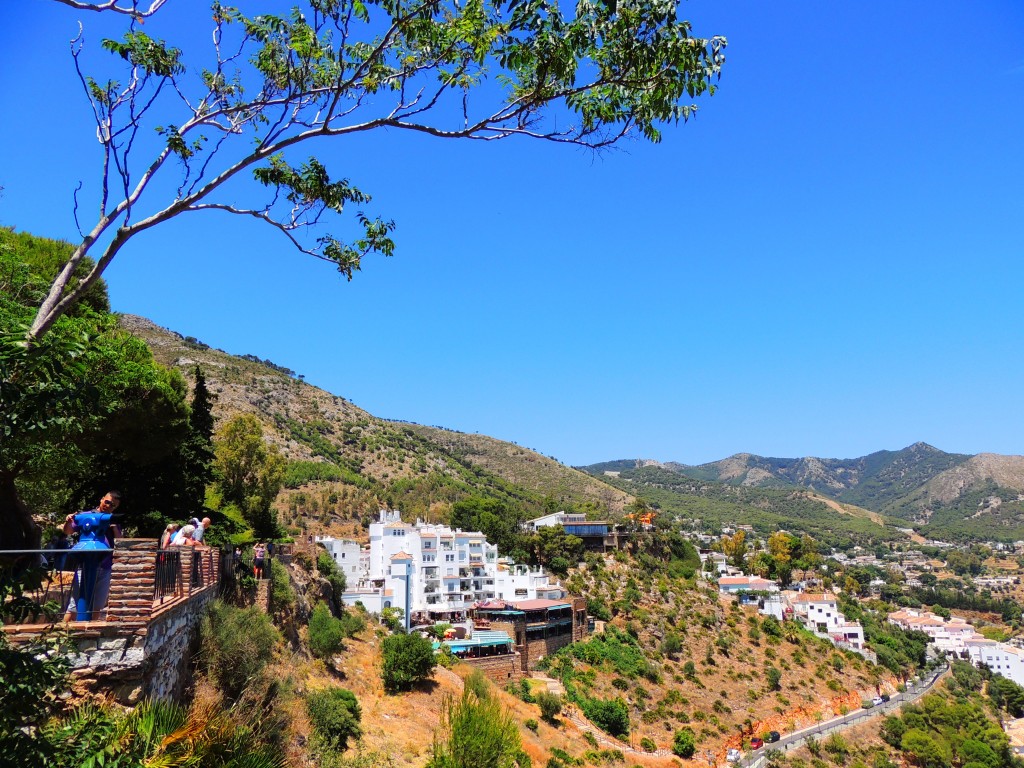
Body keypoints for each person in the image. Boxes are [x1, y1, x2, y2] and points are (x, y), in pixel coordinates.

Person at [63, 491, 121, 620]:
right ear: (102, 499)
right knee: (74, 606)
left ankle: (90, 630)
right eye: (107, 502)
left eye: (113, 505)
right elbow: (68, 531)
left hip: (105, 566)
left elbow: (120, 541)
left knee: (97, 606)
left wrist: (113, 527)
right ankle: (62, 630)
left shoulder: (112, 520)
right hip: (84, 564)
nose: (108, 506)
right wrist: (69, 521)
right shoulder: (86, 516)